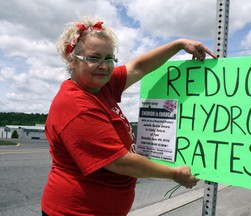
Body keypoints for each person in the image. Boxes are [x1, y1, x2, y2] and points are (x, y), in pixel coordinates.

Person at [41, 17, 217, 216]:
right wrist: (174, 174)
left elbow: (138, 67)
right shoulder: (76, 105)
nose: (104, 65)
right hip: (75, 211)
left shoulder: (100, 86)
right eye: (94, 57)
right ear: (72, 60)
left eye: (109, 58)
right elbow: (120, 162)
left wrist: (179, 44)